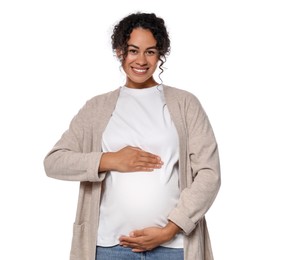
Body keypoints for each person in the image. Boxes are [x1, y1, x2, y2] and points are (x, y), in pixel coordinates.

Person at [44, 12, 221, 260]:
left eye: (150, 51)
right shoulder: (97, 108)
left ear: (160, 54)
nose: (141, 60)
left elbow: (209, 174)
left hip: (173, 246)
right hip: (108, 247)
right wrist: (110, 160)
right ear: (120, 52)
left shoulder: (185, 104)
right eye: (133, 50)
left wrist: (170, 229)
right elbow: (54, 162)